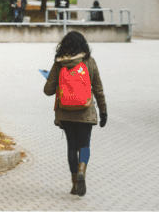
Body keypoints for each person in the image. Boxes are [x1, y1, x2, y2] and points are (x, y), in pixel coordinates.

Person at [42, 31, 107, 197]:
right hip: (86, 112)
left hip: (66, 113)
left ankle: (74, 184)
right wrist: (104, 111)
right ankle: (82, 171)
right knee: (84, 145)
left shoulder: (59, 64)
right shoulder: (89, 62)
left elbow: (47, 91)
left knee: (72, 146)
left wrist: (55, 82)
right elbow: (98, 89)